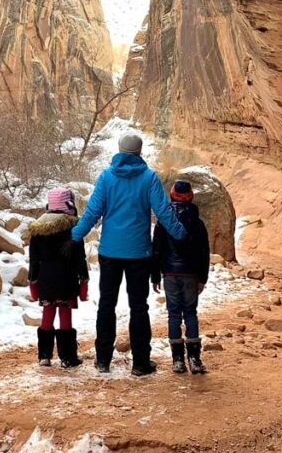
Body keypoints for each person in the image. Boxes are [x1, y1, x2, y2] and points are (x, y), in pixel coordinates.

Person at [71, 132, 187, 376]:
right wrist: (181, 234)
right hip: (138, 253)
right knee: (138, 307)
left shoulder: (106, 177)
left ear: (120, 150)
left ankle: (102, 360)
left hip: (110, 252)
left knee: (106, 304)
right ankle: (140, 363)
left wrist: (75, 235)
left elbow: (93, 212)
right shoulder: (149, 178)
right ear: (139, 152)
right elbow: (164, 213)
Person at [152, 179, 211, 374]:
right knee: (191, 313)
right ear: (191, 196)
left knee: (174, 315)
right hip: (191, 274)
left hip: (170, 273)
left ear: (172, 195)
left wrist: (155, 276)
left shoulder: (163, 221)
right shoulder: (198, 222)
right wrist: (203, 278)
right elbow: (204, 253)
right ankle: (194, 358)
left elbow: (157, 251)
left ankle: (177, 360)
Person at [27, 186, 89, 368]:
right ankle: (68, 357)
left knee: (47, 313)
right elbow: (80, 257)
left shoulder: (37, 229)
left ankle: (44, 356)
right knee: (64, 314)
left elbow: (34, 259)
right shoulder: (73, 227)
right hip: (67, 279)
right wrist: (84, 280)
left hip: (45, 279)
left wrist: (33, 281)